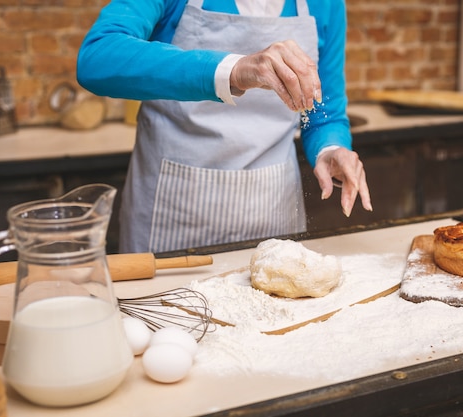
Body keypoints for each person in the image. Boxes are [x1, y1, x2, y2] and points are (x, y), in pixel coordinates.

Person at [77, 0, 372, 253]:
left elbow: (324, 111)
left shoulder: (326, 4)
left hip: (272, 209)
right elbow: (98, 56)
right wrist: (233, 69)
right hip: (173, 209)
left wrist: (330, 148)